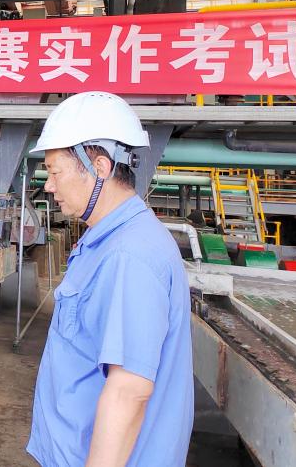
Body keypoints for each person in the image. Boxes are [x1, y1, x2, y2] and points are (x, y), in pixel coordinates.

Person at [26, 92, 193, 466]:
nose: (48, 185)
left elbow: (128, 392)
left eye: (55, 171)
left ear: (99, 167)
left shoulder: (128, 256)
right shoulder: (107, 240)